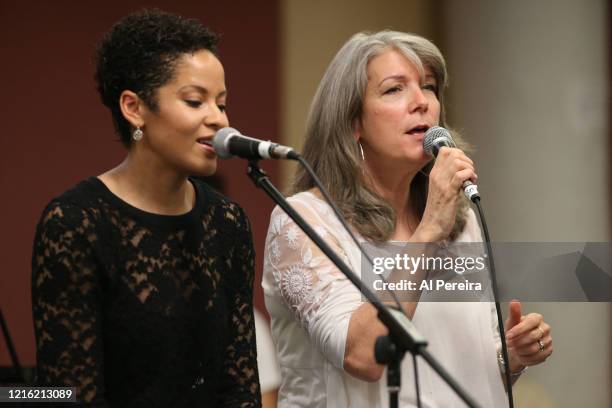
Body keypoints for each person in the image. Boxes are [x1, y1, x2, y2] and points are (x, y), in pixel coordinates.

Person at [262, 31, 553, 407]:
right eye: (394, 90)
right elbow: (365, 355)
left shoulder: (459, 220)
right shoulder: (303, 221)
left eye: (429, 87)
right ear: (353, 121)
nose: (422, 103)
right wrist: (429, 229)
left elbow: (455, 367)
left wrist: (512, 357)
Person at [31, 9, 260, 407]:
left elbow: (239, 384)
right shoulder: (75, 223)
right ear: (134, 108)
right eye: (195, 101)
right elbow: (67, 393)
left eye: (221, 104)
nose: (219, 120)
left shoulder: (227, 222)